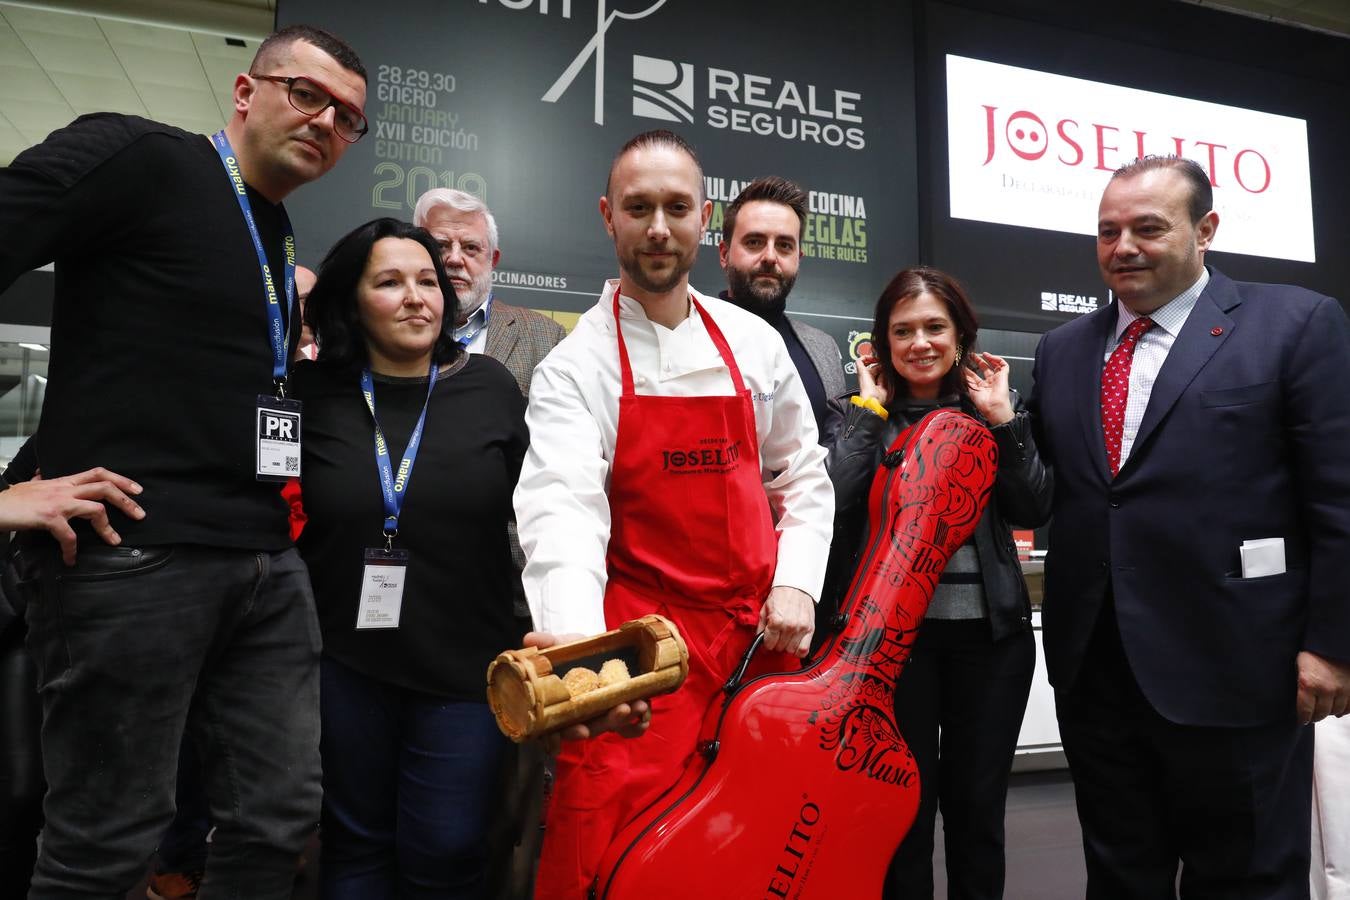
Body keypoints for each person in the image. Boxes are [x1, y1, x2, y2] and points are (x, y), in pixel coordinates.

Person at [0, 23, 368, 898]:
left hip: (263, 564)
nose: (325, 121)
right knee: (107, 841)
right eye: (305, 93)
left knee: (278, 818)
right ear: (246, 91)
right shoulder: (138, 158)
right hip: (132, 554)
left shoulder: (276, 234)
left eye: (347, 117)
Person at [514, 128, 834, 899]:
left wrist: (799, 583)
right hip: (639, 657)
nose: (658, 227)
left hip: (758, 646)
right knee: (610, 849)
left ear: (703, 217)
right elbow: (562, 510)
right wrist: (584, 660)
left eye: (676, 207)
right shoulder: (576, 365)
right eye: (639, 207)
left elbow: (803, 474)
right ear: (607, 216)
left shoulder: (753, 343)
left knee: (755, 850)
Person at [1028, 154, 1350, 897]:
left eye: (1148, 227)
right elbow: (1063, 494)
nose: (1123, 247)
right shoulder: (1063, 349)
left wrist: (1332, 646)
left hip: (1239, 671)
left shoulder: (1295, 325)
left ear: (1205, 230)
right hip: (1097, 672)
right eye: (1108, 232)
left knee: (1246, 878)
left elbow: (1337, 501)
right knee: (1118, 875)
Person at [292, 217, 527, 899]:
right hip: (344, 664)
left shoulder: (488, 387)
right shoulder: (309, 396)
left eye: (427, 281)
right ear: (351, 300)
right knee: (357, 845)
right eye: (390, 282)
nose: (417, 296)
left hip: (466, 668)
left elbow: (545, 514)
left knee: (449, 848)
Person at [824, 266, 1051, 899]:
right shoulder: (859, 415)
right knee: (901, 814)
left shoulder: (992, 415)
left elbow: (1035, 508)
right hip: (892, 652)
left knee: (979, 814)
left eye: (934, 327)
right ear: (881, 341)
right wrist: (869, 414)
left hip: (992, 644)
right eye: (903, 331)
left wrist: (1005, 423)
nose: (920, 342)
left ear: (960, 337)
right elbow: (832, 505)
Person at [718, 175, 846, 439]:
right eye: (754, 242)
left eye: (784, 246)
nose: (770, 257)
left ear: (798, 259)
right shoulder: (690, 335)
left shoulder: (824, 349)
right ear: (724, 254)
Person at [413, 189, 566, 396]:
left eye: (470, 247)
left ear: (492, 260)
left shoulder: (546, 337)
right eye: (440, 246)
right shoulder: (385, 329)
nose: (455, 259)